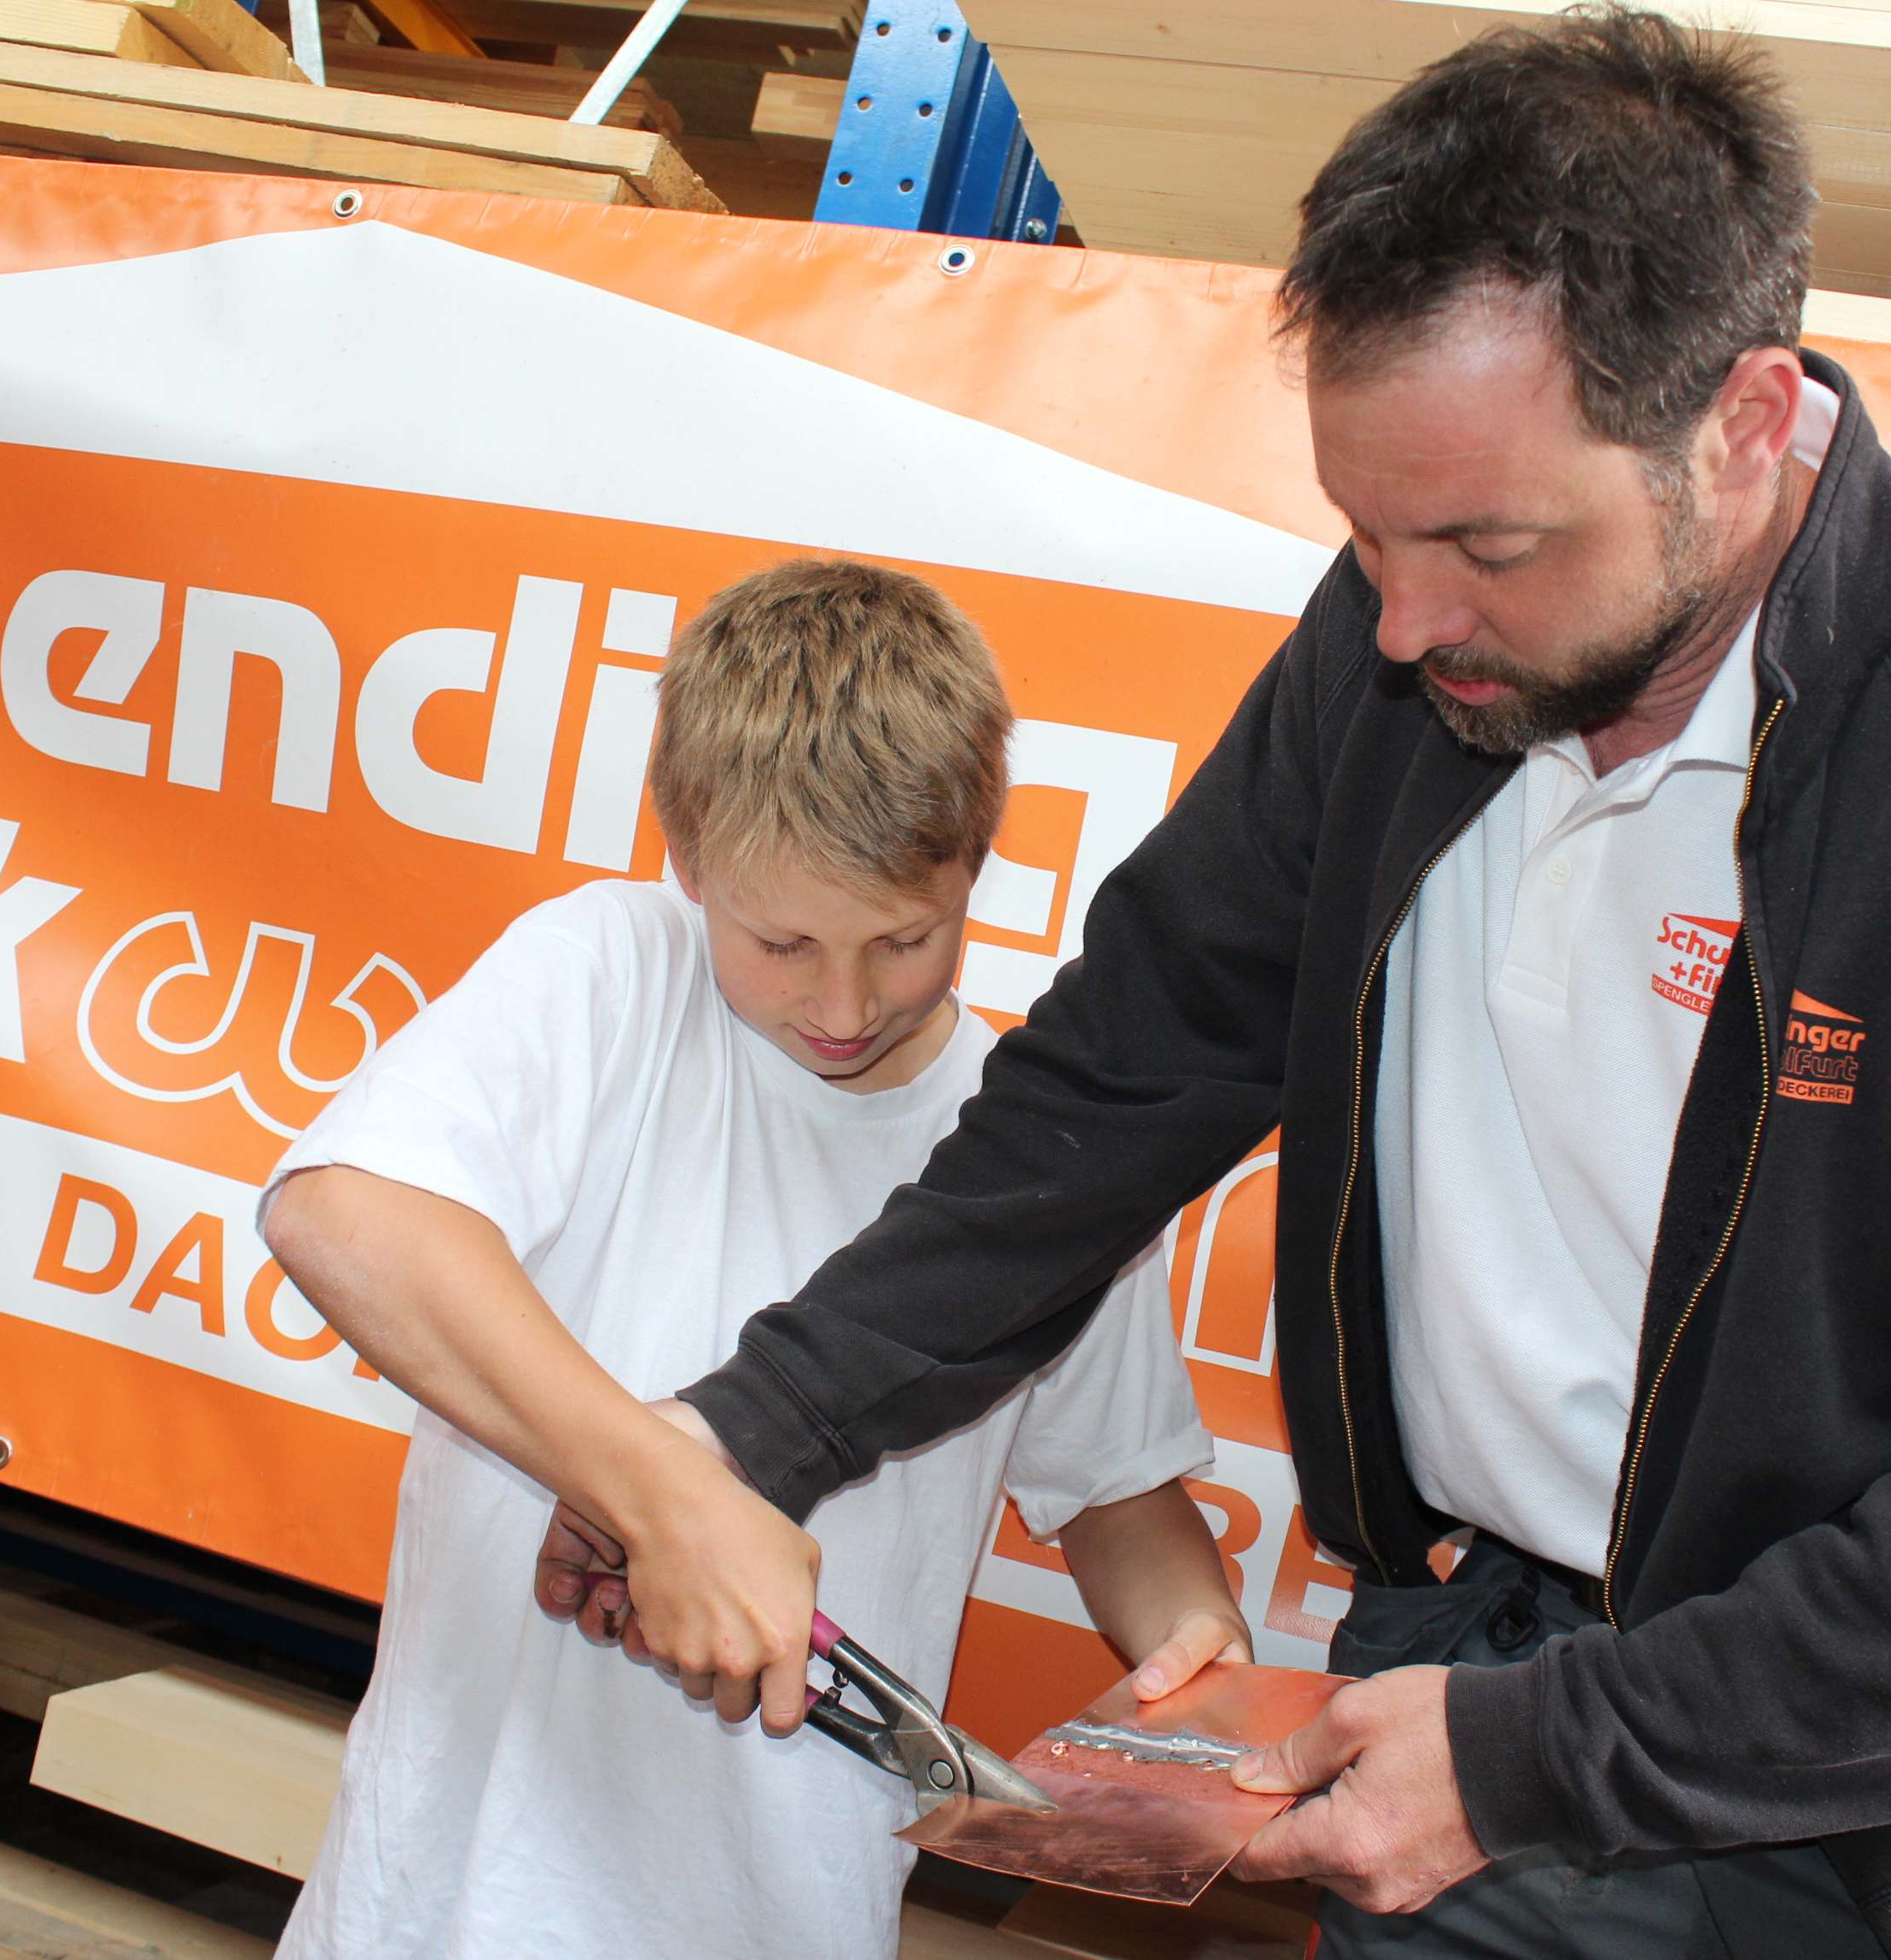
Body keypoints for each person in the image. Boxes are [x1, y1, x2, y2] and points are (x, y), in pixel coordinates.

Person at [534, 13, 1891, 1958]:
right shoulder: (1409, 651)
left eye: (1487, 542)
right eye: (1364, 535)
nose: (1401, 623)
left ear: (1742, 425)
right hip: (1455, 1683)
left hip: (1876, 1805)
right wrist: (745, 1432)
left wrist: (1557, 1752)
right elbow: (1115, 1083)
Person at [258, 558, 1251, 1960]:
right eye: (781, 940)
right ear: (687, 861)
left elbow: (1118, 1500)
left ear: (976, 863)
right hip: (438, 1915)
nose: (842, 1002)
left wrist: (1199, 1656)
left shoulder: (1044, 1151)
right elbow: (341, 1214)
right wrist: (672, 1498)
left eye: (903, 939)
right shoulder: (611, 973)